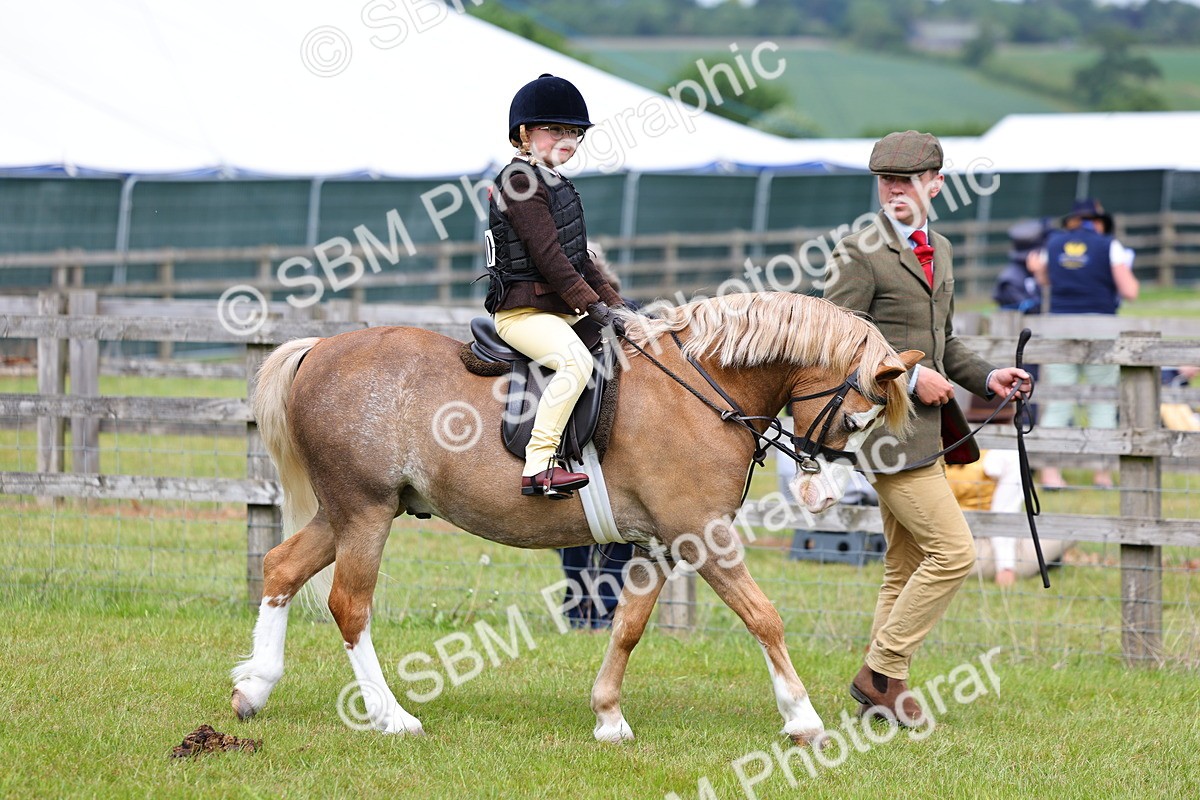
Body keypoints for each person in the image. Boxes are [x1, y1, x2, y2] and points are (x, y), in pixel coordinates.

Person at [823, 130, 1032, 726]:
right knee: (955, 554)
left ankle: (884, 691)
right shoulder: (859, 250)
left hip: (929, 433)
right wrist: (911, 382)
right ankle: (880, 669)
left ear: (935, 184)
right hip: (887, 434)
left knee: (905, 565)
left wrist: (987, 376)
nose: (894, 190)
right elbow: (840, 339)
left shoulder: (936, 245)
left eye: (907, 180)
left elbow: (944, 342)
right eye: (886, 180)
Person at [484, 74, 625, 498]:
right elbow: (551, 260)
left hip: (558, 311)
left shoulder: (557, 184)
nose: (568, 140)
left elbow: (582, 259)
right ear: (525, 133)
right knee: (577, 364)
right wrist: (593, 306)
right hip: (523, 313)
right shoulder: (520, 181)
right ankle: (539, 465)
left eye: (574, 132)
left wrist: (620, 307)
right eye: (556, 130)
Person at [1029, 198, 1139, 490]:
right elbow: (1130, 290)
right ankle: (1101, 474)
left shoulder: (1052, 244)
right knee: (1101, 401)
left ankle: (1050, 475)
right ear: (1098, 220)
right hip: (1100, 325)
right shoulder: (1109, 245)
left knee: (1057, 400)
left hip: (1058, 326)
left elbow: (1042, 278)